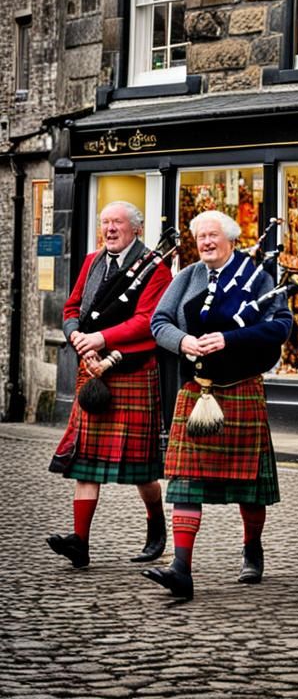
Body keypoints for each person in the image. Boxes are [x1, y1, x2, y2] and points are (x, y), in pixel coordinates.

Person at [145, 210, 293, 601]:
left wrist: (231, 339)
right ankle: (181, 568)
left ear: (230, 239)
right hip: (197, 389)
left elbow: (281, 325)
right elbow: (159, 322)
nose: (206, 243)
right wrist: (182, 342)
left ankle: (252, 548)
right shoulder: (188, 277)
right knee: (184, 480)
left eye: (213, 236)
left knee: (251, 488)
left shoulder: (256, 276)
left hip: (241, 388)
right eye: (201, 237)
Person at [47, 201, 172, 569]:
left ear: (136, 228)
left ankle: (156, 526)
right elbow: (71, 309)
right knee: (85, 462)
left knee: (141, 467)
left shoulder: (156, 268)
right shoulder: (92, 262)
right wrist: (77, 338)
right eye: (105, 222)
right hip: (91, 368)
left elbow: (147, 320)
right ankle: (79, 542)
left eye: (117, 222)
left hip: (132, 370)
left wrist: (100, 339)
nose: (110, 229)